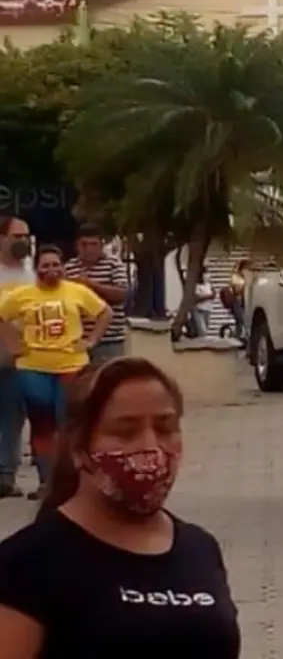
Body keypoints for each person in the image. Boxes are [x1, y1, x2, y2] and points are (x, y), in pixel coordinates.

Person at [0, 356, 241, 657]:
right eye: (125, 432)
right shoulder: (27, 563)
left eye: (165, 428)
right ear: (78, 448)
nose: (150, 447)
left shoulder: (199, 548)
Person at [0, 245, 112, 499]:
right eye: (45, 265)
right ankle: (46, 482)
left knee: (69, 424)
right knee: (42, 425)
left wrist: (92, 340)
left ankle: (73, 481)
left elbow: (105, 312)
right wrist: (12, 344)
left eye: (55, 265)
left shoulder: (77, 292)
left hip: (71, 366)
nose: (51, 270)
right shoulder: (22, 295)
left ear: (63, 267)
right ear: (37, 268)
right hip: (32, 368)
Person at [64, 224, 130, 371]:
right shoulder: (69, 267)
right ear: (77, 245)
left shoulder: (113, 264)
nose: (89, 249)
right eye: (84, 245)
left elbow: (121, 294)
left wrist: (90, 286)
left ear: (101, 245)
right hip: (78, 342)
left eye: (93, 244)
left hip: (110, 341)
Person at [0, 216, 34, 498]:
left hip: (21, 359)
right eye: (17, 236)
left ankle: (5, 477)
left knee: (13, 418)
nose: (23, 241)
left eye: (26, 236)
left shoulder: (31, 273)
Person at [190, 267, 216, 338]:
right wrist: (207, 297)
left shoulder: (209, 284)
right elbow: (196, 298)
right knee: (202, 331)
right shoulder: (196, 285)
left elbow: (214, 294)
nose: (207, 275)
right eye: (205, 273)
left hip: (207, 310)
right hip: (199, 310)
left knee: (205, 330)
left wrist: (210, 295)